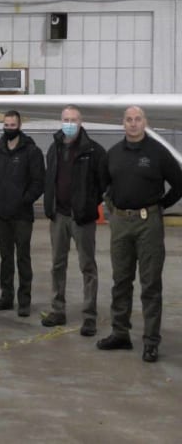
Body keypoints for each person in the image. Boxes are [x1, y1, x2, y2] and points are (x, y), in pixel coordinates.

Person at [98, 106, 182, 363]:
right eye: (129, 120)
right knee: (121, 281)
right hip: (121, 225)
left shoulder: (158, 153)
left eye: (138, 119)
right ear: (122, 124)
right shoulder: (113, 154)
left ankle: (150, 341)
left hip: (149, 225)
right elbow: (104, 184)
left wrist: (160, 207)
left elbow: (179, 183)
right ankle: (120, 333)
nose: (133, 124)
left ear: (145, 122)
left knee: (150, 285)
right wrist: (112, 207)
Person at [41, 105, 106, 336]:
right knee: (57, 265)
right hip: (58, 216)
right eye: (66, 119)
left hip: (82, 219)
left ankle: (89, 316)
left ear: (81, 122)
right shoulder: (54, 148)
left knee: (87, 266)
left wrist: (88, 205)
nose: (69, 123)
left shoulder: (94, 151)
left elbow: (102, 184)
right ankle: (57, 310)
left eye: (73, 119)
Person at [0, 110, 45, 318]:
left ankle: (24, 300)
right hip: (2, 214)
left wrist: (24, 200)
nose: (9, 128)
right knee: (5, 257)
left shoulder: (31, 151)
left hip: (22, 215)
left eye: (13, 125)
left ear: (19, 126)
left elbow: (39, 182)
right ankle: (6, 297)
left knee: (22, 257)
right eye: (6, 125)